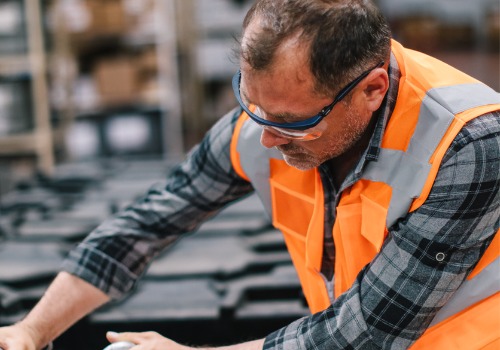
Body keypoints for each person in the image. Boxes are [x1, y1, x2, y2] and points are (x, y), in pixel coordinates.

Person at [1, 0, 499, 349]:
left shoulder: (467, 143)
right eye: (251, 102)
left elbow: (366, 332)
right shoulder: (265, 120)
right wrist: (33, 329)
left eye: (292, 121)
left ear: (370, 90)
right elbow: (144, 225)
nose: (264, 138)